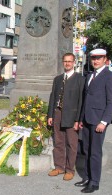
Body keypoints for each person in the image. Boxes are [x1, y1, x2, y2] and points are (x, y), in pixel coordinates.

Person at [75, 48, 112, 193]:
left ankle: (94, 182)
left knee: (95, 152)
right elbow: (86, 100)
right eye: (93, 58)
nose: (95, 61)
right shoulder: (89, 76)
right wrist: (81, 119)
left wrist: (104, 122)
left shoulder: (109, 76)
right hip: (86, 119)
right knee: (86, 150)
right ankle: (87, 177)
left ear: (105, 59)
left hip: (99, 121)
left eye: (99, 58)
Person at [47, 53, 85, 181]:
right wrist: (50, 115)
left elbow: (81, 100)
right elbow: (53, 97)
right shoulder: (57, 79)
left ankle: (69, 169)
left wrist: (78, 120)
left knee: (71, 144)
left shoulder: (80, 79)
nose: (67, 63)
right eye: (65, 61)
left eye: (69, 61)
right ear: (62, 62)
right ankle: (59, 167)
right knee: (58, 142)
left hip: (72, 116)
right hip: (57, 113)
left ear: (74, 62)